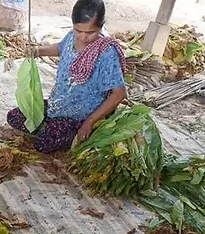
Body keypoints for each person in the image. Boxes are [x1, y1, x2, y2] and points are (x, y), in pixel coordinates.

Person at [7, 0, 127, 153]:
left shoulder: (106, 53)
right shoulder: (71, 37)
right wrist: (38, 51)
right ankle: (50, 126)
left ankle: (62, 129)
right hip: (57, 106)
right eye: (78, 30)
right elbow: (60, 47)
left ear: (101, 26)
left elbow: (119, 93)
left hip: (81, 116)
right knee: (14, 116)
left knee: (43, 144)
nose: (83, 37)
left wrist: (89, 122)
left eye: (90, 32)